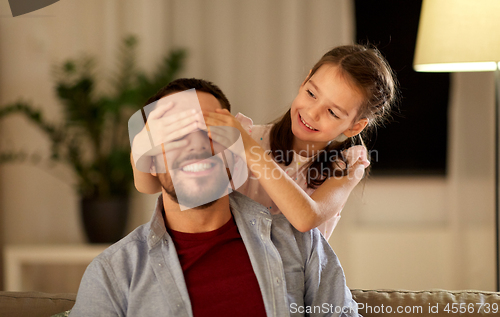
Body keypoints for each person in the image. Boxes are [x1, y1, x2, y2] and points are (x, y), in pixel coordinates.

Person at [70, 78, 360, 317]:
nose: (196, 145)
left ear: (236, 147)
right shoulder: (112, 274)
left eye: (211, 130)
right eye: (175, 135)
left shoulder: (301, 244)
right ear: (152, 161)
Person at [132, 44, 398, 240]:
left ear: (355, 126)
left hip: (297, 280)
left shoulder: (347, 166)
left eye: (332, 112)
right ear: (304, 81)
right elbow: (153, 185)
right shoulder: (252, 135)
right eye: (311, 93)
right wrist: (143, 146)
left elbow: (307, 218)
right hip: (243, 270)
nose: (313, 112)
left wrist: (248, 148)